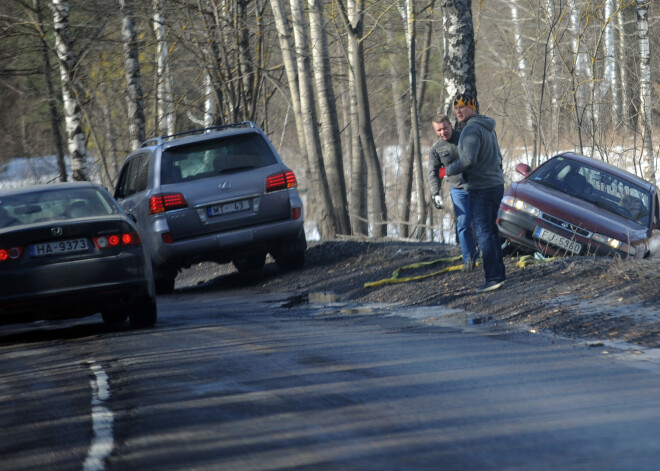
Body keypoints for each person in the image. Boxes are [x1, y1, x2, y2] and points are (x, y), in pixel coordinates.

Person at [444, 93, 506, 293]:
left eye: (462, 107)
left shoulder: (471, 130)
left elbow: (468, 161)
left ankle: (493, 278)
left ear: (472, 108)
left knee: (483, 233)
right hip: (496, 186)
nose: (458, 111)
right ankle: (499, 274)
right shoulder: (488, 128)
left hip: (481, 188)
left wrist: (449, 170)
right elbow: (498, 157)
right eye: (456, 108)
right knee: (491, 231)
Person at [428, 115, 478, 271]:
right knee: (463, 224)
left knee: (482, 221)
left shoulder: (465, 137)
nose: (443, 132)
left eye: (445, 128)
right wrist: (435, 193)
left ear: (451, 125)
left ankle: (489, 253)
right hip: (457, 189)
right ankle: (469, 260)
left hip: (477, 185)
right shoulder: (436, 149)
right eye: (439, 130)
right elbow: (434, 173)